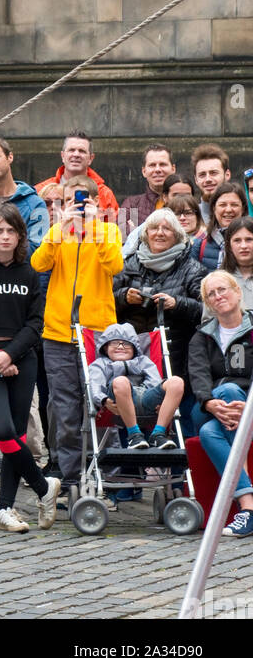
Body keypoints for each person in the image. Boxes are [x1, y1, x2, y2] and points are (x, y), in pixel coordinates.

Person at [0, 204, 61, 534]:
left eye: (11, 231)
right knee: (2, 431)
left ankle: (5, 508)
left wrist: (11, 355)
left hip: (23, 358)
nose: (4, 237)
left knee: (16, 435)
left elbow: (36, 323)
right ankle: (43, 487)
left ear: (20, 235)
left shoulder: (29, 273)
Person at [31, 175, 123, 490]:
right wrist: (60, 227)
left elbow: (115, 266)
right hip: (58, 331)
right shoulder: (56, 231)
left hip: (98, 332)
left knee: (97, 405)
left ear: (96, 202)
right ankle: (70, 477)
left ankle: (101, 473)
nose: (78, 206)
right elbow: (38, 264)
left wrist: (94, 227)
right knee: (64, 406)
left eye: (83, 200)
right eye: (72, 200)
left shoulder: (108, 230)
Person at [188, 272, 253, 536]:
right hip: (207, 407)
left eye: (223, 290)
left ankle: (247, 508)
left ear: (238, 292)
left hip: (247, 407)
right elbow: (199, 378)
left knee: (209, 433)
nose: (218, 296)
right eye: (211, 294)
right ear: (208, 303)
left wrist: (247, 405)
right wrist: (210, 402)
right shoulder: (201, 337)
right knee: (226, 389)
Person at [113, 207, 204, 381]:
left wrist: (177, 303)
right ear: (146, 234)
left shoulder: (192, 269)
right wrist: (124, 297)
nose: (159, 233)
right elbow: (106, 301)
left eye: (167, 229)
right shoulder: (128, 264)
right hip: (130, 352)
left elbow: (207, 310)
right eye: (154, 228)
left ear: (177, 235)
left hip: (174, 354)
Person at [88, 321, 184, 449]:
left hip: (146, 398)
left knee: (177, 381)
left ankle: (158, 434)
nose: (121, 347)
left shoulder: (143, 361)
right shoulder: (100, 364)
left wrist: (161, 400)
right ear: (105, 347)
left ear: (135, 348)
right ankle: (134, 436)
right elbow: (95, 385)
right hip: (117, 401)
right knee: (120, 381)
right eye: (115, 342)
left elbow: (155, 381)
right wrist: (103, 400)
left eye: (126, 343)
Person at [35, 131, 119, 221]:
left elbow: (116, 230)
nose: (76, 154)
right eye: (71, 150)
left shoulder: (105, 194)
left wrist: (95, 219)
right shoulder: (40, 191)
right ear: (62, 156)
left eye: (82, 151)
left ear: (91, 158)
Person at [192, 181, 247, 275]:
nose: (229, 210)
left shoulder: (250, 241)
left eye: (234, 205)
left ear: (242, 208)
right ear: (214, 208)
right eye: (223, 205)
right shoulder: (200, 244)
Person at [119, 144, 176, 231]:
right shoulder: (132, 205)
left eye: (163, 164)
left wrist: (137, 231)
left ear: (173, 169)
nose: (157, 169)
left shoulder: (185, 202)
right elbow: (122, 236)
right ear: (144, 171)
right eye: (152, 165)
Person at [218, 217, 253, 315]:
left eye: (249, 239)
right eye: (237, 240)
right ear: (229, 245)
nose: (243, 246)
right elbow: (209, 321)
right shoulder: (218, 280)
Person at [191, 143, 230, 225]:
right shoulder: (189, 217)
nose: (208, 179)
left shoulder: (244, 213)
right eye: (202, 175)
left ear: (227, 175)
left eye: (213, 173)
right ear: (196, 180)